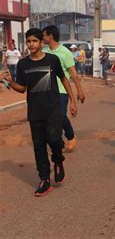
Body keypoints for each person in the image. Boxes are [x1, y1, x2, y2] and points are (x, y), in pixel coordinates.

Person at [1, 28, 77, 196]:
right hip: (35, 111)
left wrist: (73, 100)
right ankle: (44, 179)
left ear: (41, 42)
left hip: (53, 108)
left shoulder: (53, 59)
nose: (31, 44)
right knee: (38, 146)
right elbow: (22, 89)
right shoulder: (23, 64)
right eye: (28, 41)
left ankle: (58, 161)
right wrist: (10, 82)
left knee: (54, 139)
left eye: (34, 41)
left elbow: (64, 79)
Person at [42, 25, 85, 153]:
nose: (42, 38)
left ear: (50, 36)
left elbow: (73, 73)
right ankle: (58, 144)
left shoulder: (65, 52)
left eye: (44, 35)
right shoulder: (44, 51)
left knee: (60, 116)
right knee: (50, 118)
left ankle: (70, 136)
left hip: (62, 90)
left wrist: (79, 91)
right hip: (47, 90)